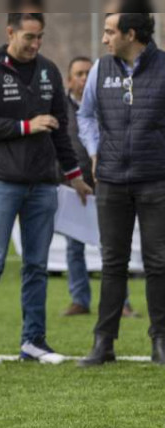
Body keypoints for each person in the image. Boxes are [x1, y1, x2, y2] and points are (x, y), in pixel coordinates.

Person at [0, 13, 93, 365]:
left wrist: (75, 175)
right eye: (29, 38)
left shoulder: (49, 70)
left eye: (40, 38)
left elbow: (60, 132)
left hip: (44, 185)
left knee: (37, 265)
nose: (35, 45)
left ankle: (33, 341)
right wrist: (24, 125)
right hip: (1, 183)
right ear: (10, 33)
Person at [77, 11, 165, 367]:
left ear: (131, 34)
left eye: (110, 32)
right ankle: (104, 344)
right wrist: (95, 150)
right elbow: (84, 115)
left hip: (156, 179)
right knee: (113, 263)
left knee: (159, 263)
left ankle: (160, 342)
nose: (104, 39)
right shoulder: (100, 69)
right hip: (111, 180)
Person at [60, 56, 137, 318]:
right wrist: (68, 178)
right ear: (69, 80)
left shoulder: (107, 103)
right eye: (79, 73)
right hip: (72, 187)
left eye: (87, 73)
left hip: (106, 183)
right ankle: (80, 299)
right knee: (74, 246)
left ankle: (121, 302)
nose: (83, 78)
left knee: (113, 245)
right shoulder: (59, 108)